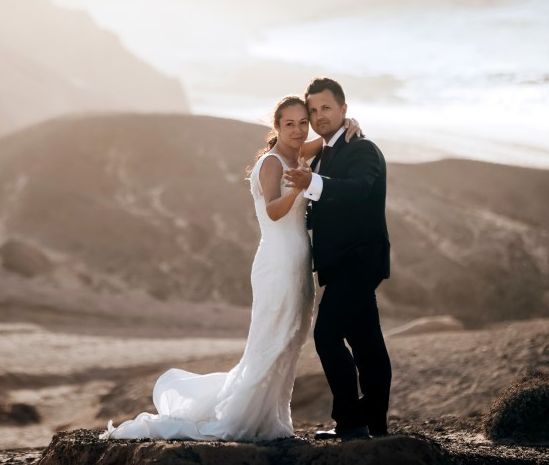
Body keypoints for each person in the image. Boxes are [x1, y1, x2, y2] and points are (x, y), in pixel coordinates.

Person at [100, 96, 361, 441]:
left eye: (303, 122)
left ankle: (273, 421)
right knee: (272, 339)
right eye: (289, 124)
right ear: (276, 126)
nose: (298, 130)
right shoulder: (271, 163)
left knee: (292, 339)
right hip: (277, 262)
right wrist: (300, 187)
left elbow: (328, 141)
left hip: (299, 261)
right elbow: (272, 211)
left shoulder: (298, 152)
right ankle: (242, 419)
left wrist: (349, 126)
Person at [283, 77, 393, 440]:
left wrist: (310, 184)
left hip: (359, 260)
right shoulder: (328, 150)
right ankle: (374, 425)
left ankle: (351, 422)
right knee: (366, 343)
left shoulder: (363, 149)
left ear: (344, 109)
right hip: (341, 262)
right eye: (313, 110)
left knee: (327, 336)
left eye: (326, 108)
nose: (318, 116)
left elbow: (358, 190)